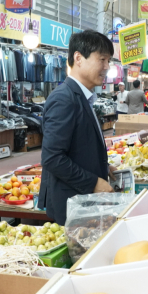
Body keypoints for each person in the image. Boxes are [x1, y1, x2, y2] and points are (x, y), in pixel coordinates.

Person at [39, 30, 116, 224]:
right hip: (72, 206)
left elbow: (78, 147)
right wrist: (93, 182)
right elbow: (53, 158)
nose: (107, 67)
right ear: (79, 58)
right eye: (102, 59)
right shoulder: (64, 99)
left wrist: (103, 167)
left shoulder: (83, 97)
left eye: (109, 61)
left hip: (82, 204)